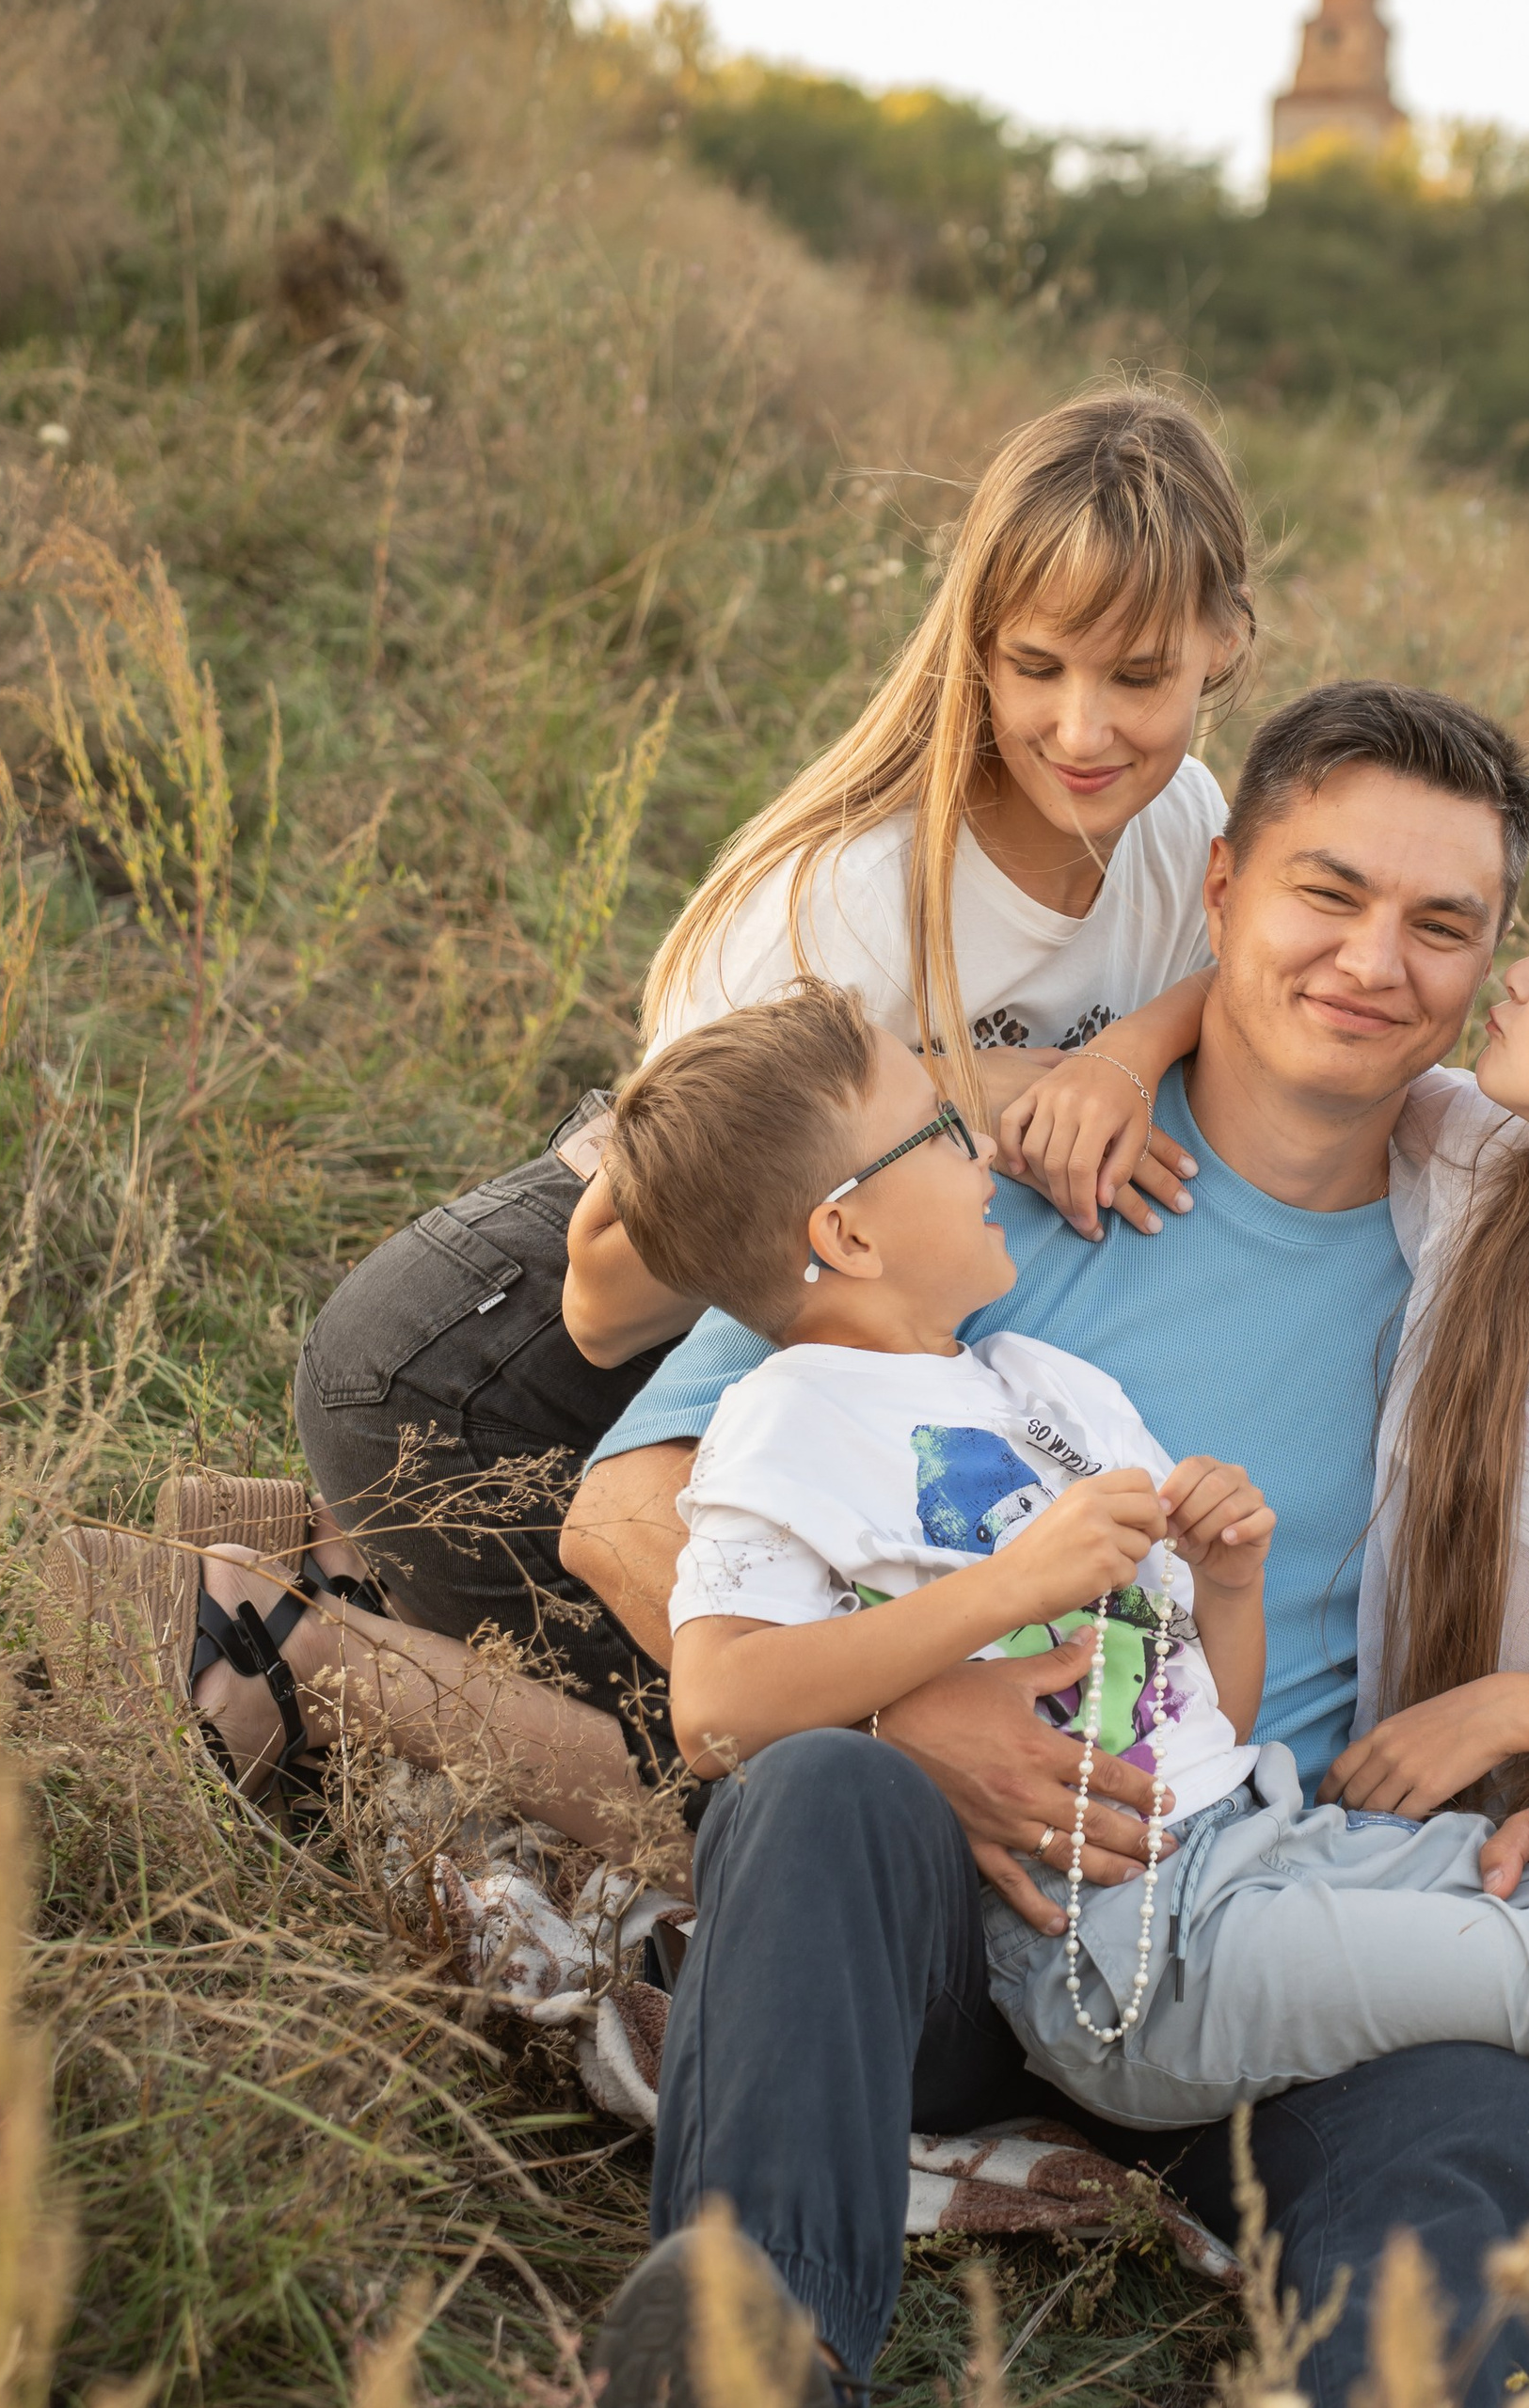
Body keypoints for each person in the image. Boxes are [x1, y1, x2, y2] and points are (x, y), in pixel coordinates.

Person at [567, 681, 1529, 2405]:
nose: (1374, 964)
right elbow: (628, 1503)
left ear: (1491, 964)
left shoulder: (1506, 1246)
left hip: (1265, 1913)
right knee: (814, 1796)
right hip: (966, 1910)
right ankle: (748, 2357)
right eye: (1329, 893)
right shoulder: (964, 1206)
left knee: (1488, 2116)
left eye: (1442, 925)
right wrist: (903, 1713)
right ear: (1222, 884)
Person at [605, 971, 1529, 2408]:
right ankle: (750, 2363)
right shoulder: (785, 1415)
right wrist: (992, 1604)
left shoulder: (1047, 1387)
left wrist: (1224, 1584)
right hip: (1106, 1935)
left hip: (1254, 1851)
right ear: (845, 1228)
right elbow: (720, 1705)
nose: (978, 1146)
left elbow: (1200, 1721)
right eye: (934, 1130)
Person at [284, 386, 1258, 1802]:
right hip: (499, 1362)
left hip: (775, 1374)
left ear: (1226, 643)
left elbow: (1243, 977)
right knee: (758, 1766)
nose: (1083, 726)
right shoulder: (852, 894)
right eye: (1036, 666)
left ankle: (324, 1580)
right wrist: (970, 1090)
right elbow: (605, 1298)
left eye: (1140, 675)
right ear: (974, 647)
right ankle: (290, 1649)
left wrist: (1124, 1051)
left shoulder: (1182, 827)